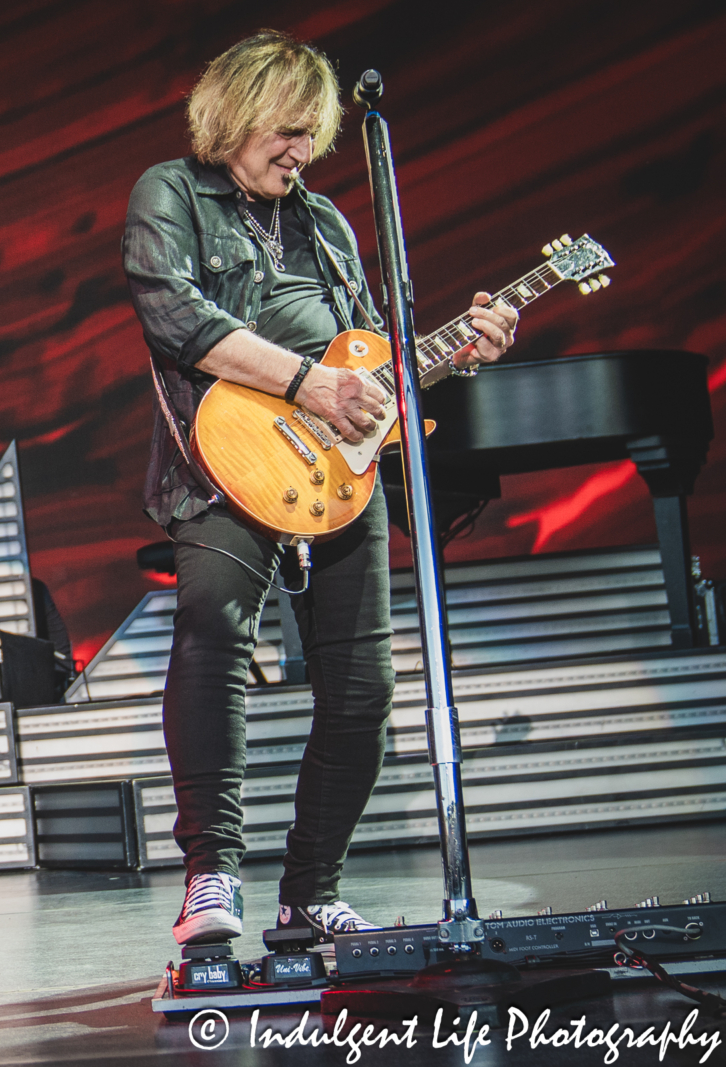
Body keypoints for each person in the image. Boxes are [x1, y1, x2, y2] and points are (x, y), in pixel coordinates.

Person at [121, 31, 518, 945]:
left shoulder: (328, 224)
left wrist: (456, 351)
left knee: (363, 685)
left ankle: (311, 889)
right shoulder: (171, 193)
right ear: (238, 112)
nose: (302, 151)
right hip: (224, 461)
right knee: (214, 636)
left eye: (314, 136)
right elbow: (175, 317)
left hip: (336, 473)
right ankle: (212, 875)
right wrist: (306, 385)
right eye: (288, 130)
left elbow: (373, 361)